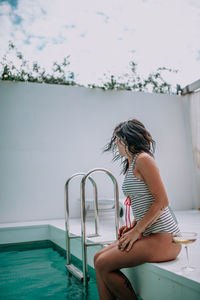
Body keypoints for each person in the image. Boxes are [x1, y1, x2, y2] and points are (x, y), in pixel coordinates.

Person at [94, 118, 182, 300]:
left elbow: (162, 201)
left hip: (166, 238)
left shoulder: (143, 159)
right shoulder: (132, 162)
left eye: (117, 139)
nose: (116, 144)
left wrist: (137, 232)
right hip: (150, 235)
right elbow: (145, 201)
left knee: (103, 263)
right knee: (97, 258)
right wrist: (133, 228)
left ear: (127, 139)